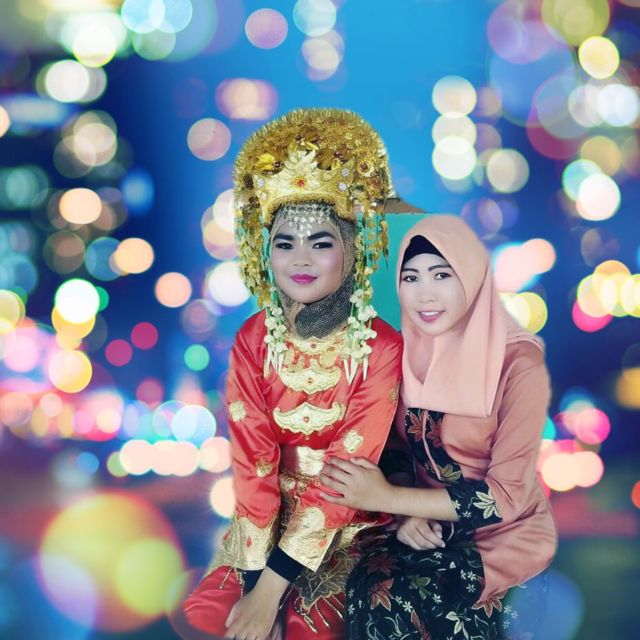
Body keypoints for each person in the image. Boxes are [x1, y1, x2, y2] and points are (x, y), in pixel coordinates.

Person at [182, 108, 403, 640]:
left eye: (320, 243)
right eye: (285, 243)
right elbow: (252, 461)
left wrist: (269, 595)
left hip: (346, 522)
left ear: (351, 250)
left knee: (309, 629)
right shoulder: (253, 339)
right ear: (266, 254)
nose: (300, 259)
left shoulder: (381, 346)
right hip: (263, 521)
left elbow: (346, 472)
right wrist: (254, 584)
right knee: (208, 616)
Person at [320, 214, 557, 639]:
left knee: (410, 593)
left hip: (502, 534)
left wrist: (390, 497)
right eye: (410, 278)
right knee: (368, 583)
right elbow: (393, 445)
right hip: (422, 522)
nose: (424, 294)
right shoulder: (402, 350)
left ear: (471, 277)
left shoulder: (519, 363)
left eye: (441, 275)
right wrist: (405, 509)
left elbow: (507, 496)